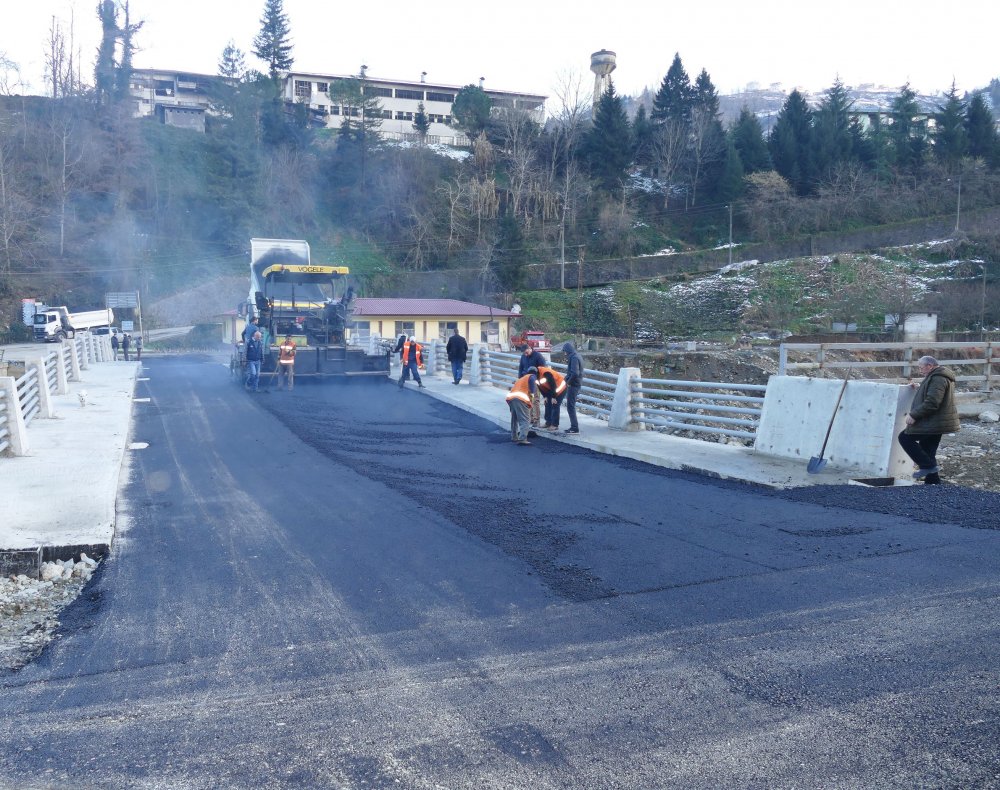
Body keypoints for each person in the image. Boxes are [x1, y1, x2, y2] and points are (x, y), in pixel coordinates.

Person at [898, 355, 960, 484]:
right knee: (928, 450)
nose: (920, 371)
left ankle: (927, 467)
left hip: (934, 422)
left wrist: (914, 415)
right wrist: (920, 387)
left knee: (904, 438)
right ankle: (933, 482)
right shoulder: (937, 376)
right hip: (937, 422)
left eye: (921, 368)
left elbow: (932, 402)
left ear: (930, 366)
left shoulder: (938, 378)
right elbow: (933, 393)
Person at [506, 366, 539, 445]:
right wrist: (531, 398)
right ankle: (522, 439)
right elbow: (532, 389)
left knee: (514, 419)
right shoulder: (532, 376)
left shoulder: (521, 379)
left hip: (511, 398)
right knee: (525, 420)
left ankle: (514, 437)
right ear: (535, 373)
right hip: (520, 399)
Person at [518, 344, 546, 427]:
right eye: (524, 354)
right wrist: (520, 379)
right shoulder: (523, 357)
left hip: (535, 381)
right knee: (528, 399)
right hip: (525, 380)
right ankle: (530, 418)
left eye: (526, 353)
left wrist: (538, 380)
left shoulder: (538, 356)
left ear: (530, 348)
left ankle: (536, 420)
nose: (525, 355)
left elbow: (543, 369)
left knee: (535, 400)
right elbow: (521, 368)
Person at [559, 341, 584, 434]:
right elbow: (572, 373)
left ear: (568, 351)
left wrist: (568, 383)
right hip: (576, 383)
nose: (564, 353)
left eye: (565, 351)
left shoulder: (573, 358)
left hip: (574, 385)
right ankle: (574, 427)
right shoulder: (577, 355)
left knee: (570, 406)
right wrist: (565, 380)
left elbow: (574, 373)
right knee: (571, 405)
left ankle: (574, 427)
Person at [536, 365, 567, 431]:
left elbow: (553, 385)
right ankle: (548, 422)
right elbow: (540, 387)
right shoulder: (534, 376)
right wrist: (545, 397)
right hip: (550, 389)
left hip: (560, 388)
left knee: (555, 405)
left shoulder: (546, 373)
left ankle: (555, 425)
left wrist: (554, 397)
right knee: (547, 403)